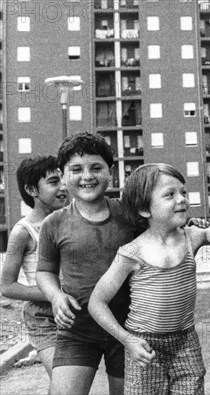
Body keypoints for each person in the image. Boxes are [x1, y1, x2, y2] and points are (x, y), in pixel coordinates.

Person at [88, 163, 210, 394]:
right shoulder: (130, 253)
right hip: (144, 345)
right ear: (144, 209)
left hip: (185, 342)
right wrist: (128, 340)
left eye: (183, 192)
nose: (181, 199)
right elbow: (96, 302)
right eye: (170, 194)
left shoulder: (192, 237)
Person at [36, 132, 141, 395]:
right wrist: (56, 296)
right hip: (77, 330)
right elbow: (44, 272)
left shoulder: (130, 214)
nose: (87, 176)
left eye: (96, 167)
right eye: (76, 169)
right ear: (63, 175)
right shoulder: (54, 223)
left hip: (128, 327)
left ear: (110, 171)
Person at [0, 156, 69, 378]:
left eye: (62, 179)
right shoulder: (23, 232)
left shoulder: (71, 221)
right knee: (63, 380)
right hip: (43, 317)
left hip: (76, 312)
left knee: (71, 385)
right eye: (53, 182)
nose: (63, 187)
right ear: (32, 189)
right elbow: (7, 286)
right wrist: (52, 293)